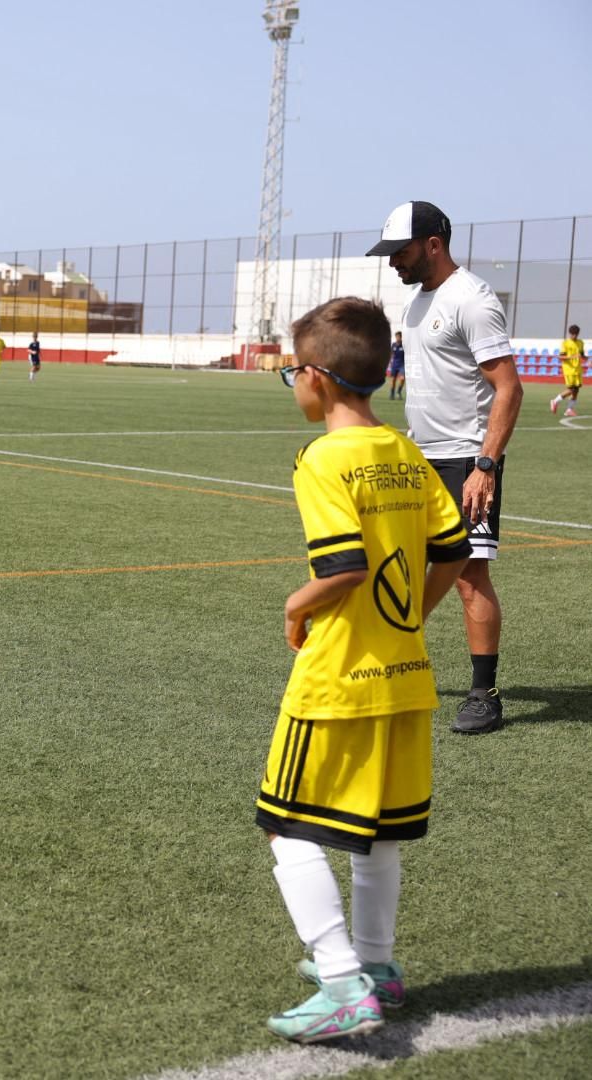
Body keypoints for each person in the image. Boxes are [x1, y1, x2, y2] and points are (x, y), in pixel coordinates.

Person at [258, 297, 471, 1043]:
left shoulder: (323, 458)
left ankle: (343, 980)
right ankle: (377, 967)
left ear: (317, 378)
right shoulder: (404, 450)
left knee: (286, 828)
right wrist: (408, 616)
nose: (293, 385)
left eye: (292, 372)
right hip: (405, 671)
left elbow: (343, 567)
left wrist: (293, 606)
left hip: (339, 674)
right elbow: (452, 551)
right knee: (376, 834)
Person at [367, 200, 522, 734]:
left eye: (400, 251)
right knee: (405, 566)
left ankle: (485, 694)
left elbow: (509, 388)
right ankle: (397, 661)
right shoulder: (417, 302)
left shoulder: (471, 299)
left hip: (465, 459)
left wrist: (486, 465)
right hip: (422, 458)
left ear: (433, 243)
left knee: (469, 576)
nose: (393, 263)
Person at [550, 324, 582, 417]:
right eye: (573, 334)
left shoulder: (580, 343)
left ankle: (569, 409)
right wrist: (571, 357)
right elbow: (561, 356)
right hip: (569, 370)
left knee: (576, 390)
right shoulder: (565, 343)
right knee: (571, 389)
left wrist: (588, 359)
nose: (574, 336)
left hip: (577, 370)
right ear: (570, 334)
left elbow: (582, 355)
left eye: (576, 334)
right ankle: (555, 401)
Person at [387, 331, 405, 400]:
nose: (397, 338)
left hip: (402, 364)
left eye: (398, 337)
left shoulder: (404, 345)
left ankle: (399, 392)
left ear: (401, 337)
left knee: (402, 378)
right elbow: (391, 354)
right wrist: (390, 363)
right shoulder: (393, 345)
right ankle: (392, 394)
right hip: (394, 364)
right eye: (396, 337)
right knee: (393, 380)